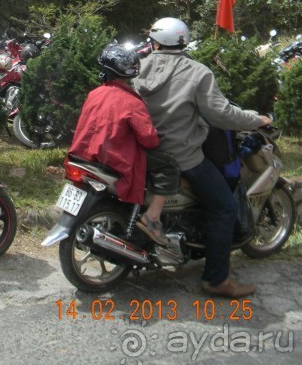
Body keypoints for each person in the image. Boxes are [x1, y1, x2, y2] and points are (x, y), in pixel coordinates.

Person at [133, 17, 272, 298]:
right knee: (224, 208)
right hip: (181, 155)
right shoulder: (197, 72)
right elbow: (221, 114)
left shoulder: (137, 67)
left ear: (154, 41)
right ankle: (217, 279)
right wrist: (256, 119)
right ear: (184, 41)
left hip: (140, 150)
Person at [69, 44, 179, 245]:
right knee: (169, 164)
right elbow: (149, 139)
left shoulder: (95, 93)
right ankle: (152, 217)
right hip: (113, 156)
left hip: (84, 154)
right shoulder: (132, 101)